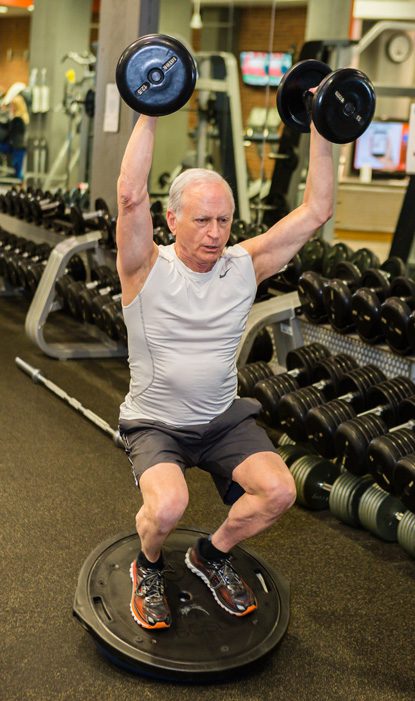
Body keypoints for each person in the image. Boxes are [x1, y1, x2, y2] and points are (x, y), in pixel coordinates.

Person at [117, 104, 334, 631]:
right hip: (156, 422)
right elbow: (130, 194)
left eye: (224, 220)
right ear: (173, 220)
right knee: (168, 506)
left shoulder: (244, 266)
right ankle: (146, 566)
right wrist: (149, 109)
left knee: (279, 491)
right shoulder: (144, 267)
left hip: (221, 420)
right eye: (202, 220)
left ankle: (210, 555)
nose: (215, 233)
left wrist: (324, 127)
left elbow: (318, 209)